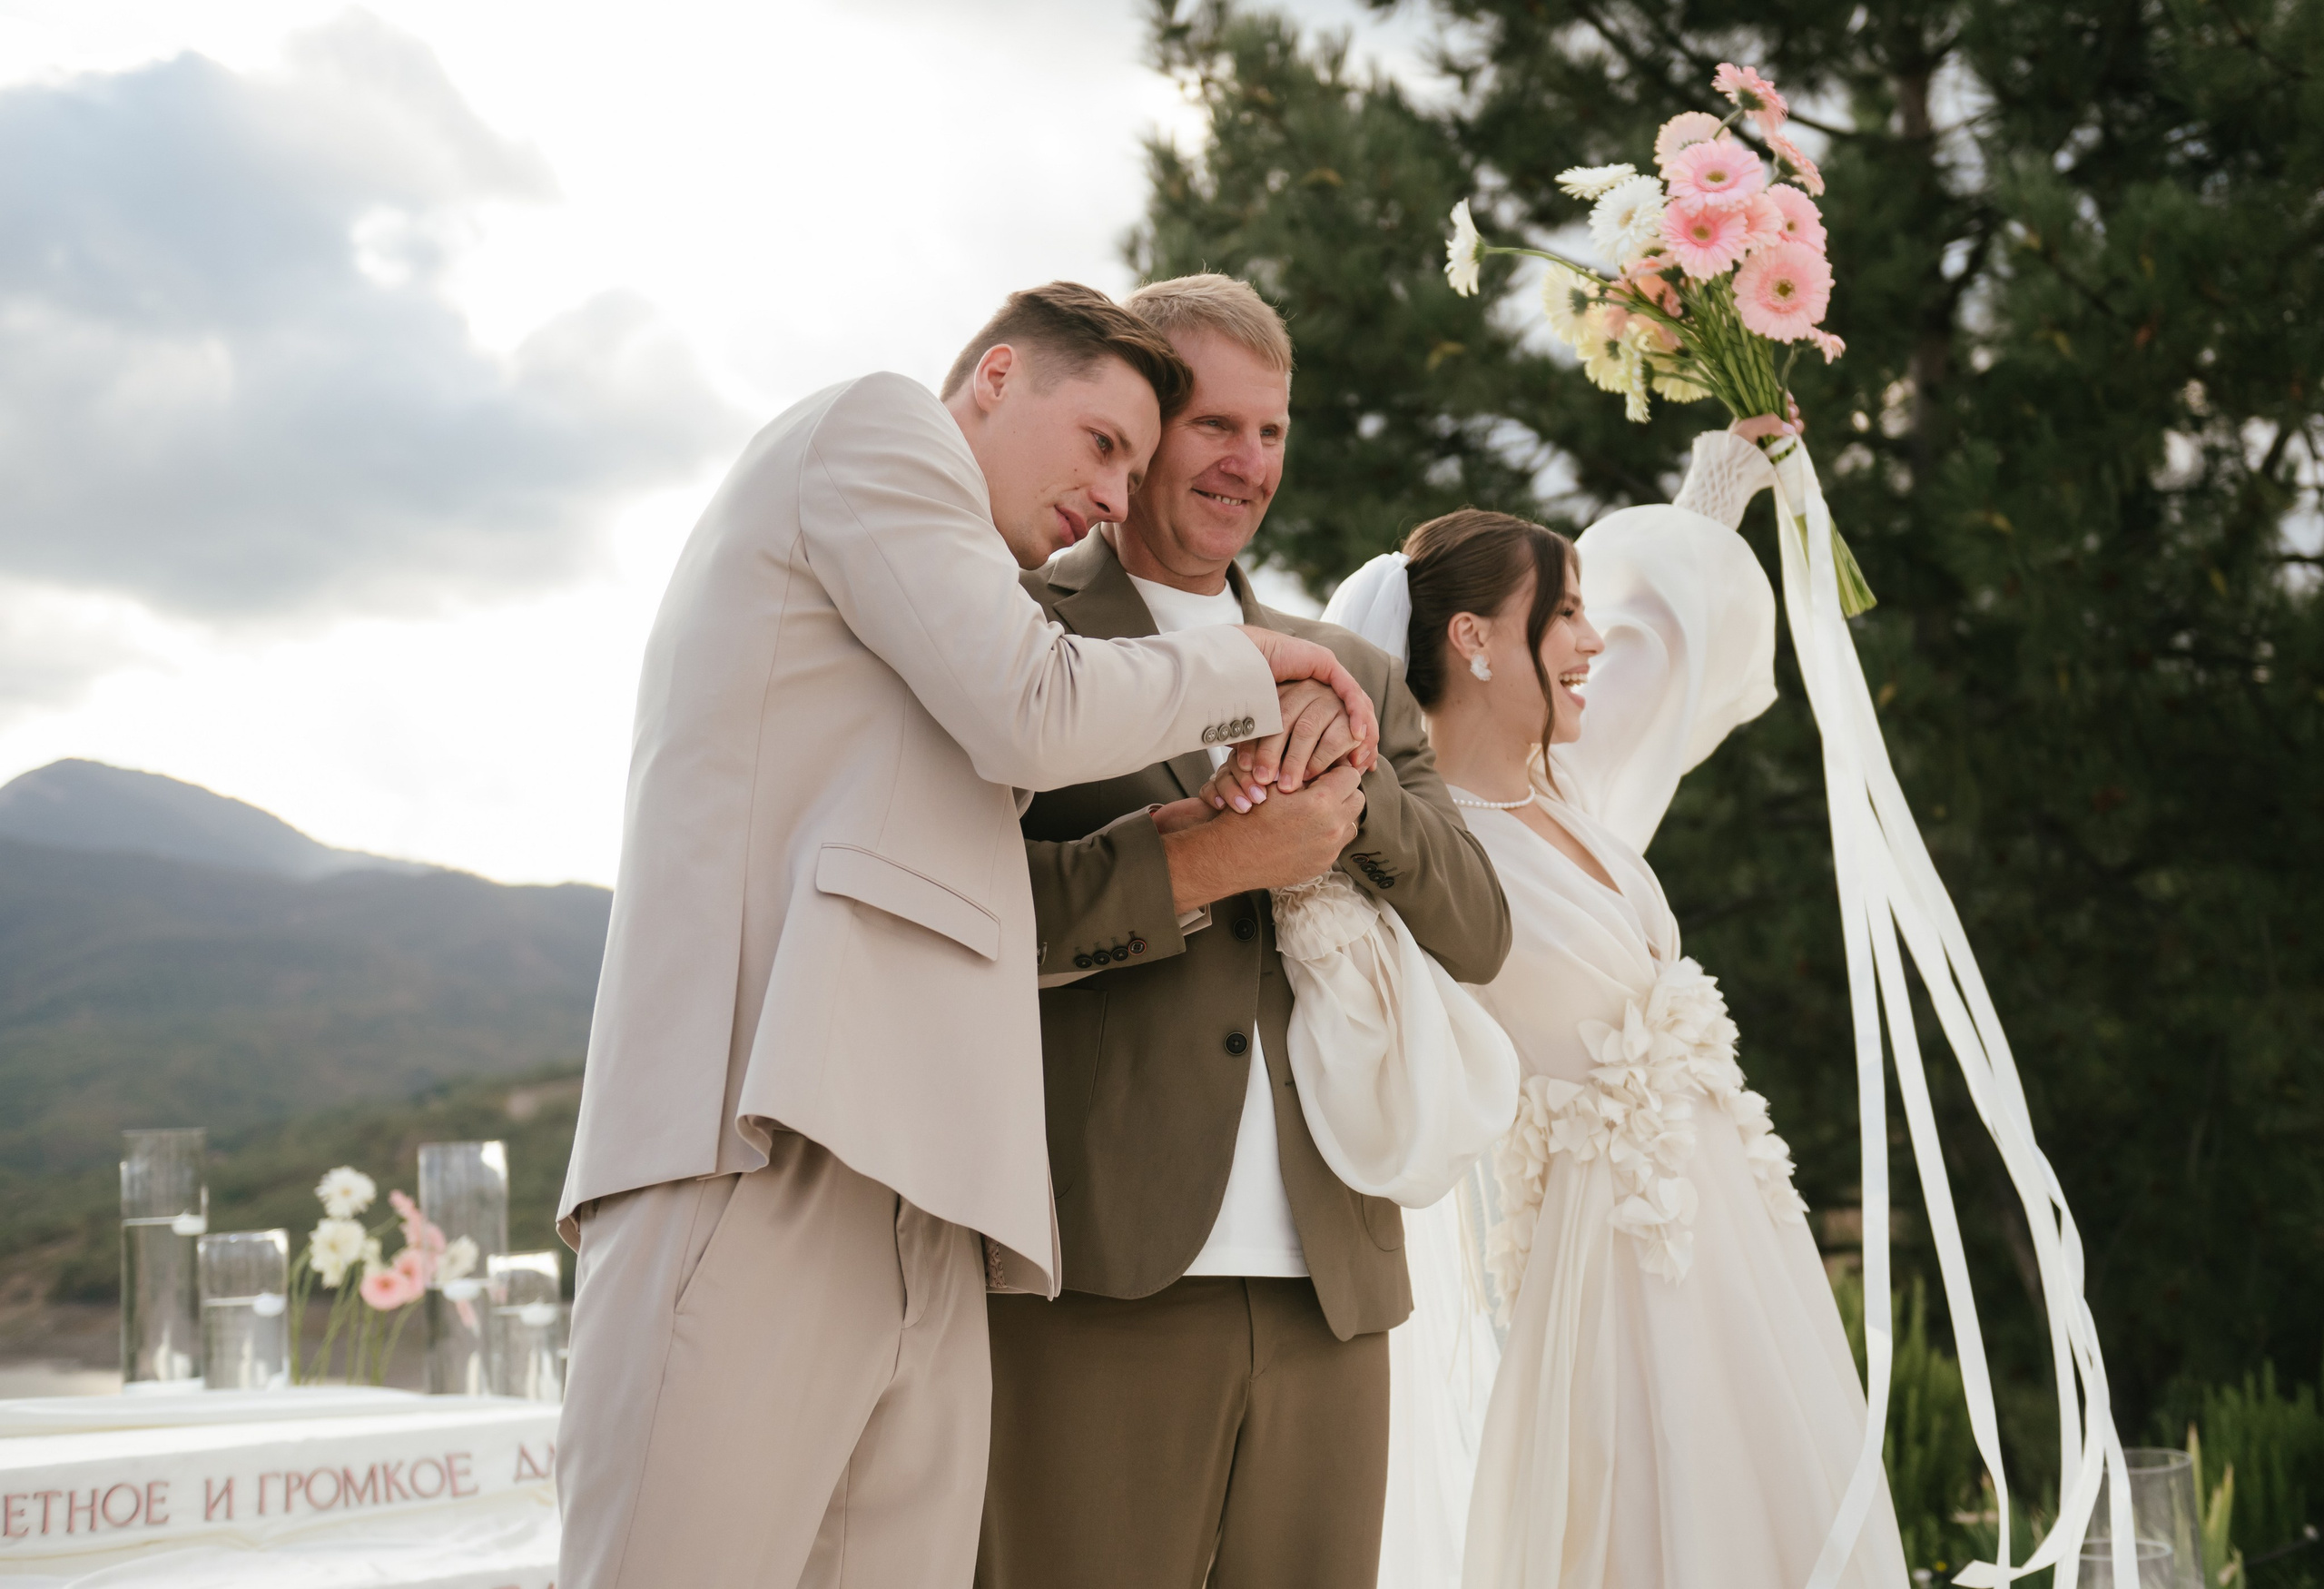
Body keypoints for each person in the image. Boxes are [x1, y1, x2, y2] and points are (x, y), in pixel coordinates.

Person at [555, 281, 1381, 1589]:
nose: (1117, 494)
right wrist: (1255, 669)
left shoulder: (972, 609)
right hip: (758, 1140)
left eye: (1134, 463)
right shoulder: (875, 435)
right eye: (1104, 442)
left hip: (937, 1186)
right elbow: (1032, 709)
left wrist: (1207, 842)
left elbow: (992, 899)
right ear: (996, 378)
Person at [975, 274, 1513, 1589]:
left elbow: (1480, 925)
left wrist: (1359, 785)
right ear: (1144, 425)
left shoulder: (1357, 668)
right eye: (1218, 424)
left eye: (1274, 431)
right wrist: (1211, 863)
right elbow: (986, 912)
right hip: (1098, 1271)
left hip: (1335, 1284)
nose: (1249, 463)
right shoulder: (1019, 631)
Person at [1324, 429, 1911, 1587]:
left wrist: (1719, 481)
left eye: (1587, 613)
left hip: (1731, 1224)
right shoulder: (1426, 856)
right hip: (1612, 1249)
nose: (1591, 641)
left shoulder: (1576, 794)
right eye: (1562, 618)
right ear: (1472, 641)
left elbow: (1659, 644)